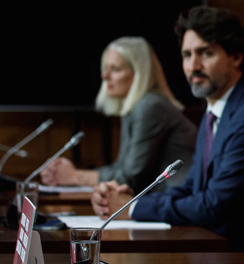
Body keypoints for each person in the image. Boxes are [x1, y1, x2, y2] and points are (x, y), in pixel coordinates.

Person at [92, 7, 244, 251]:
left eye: (206, 53)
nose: (194, 65)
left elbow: (214, 205)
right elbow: (192, 187)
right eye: (187, 55)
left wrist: (134, 208)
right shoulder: (216, 109)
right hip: (219, 248)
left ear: (235, 57)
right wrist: (130, 201)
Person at [41, 36, 196, 190]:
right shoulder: (135, 107)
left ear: (139, 74)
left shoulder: (150, 106)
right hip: (161, 202)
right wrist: (72, 175)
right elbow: (122, 167)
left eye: (115, 69)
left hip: (175, 202)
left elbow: (130, 177)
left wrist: (75, 176)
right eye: (105, 68)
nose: (104, 76)